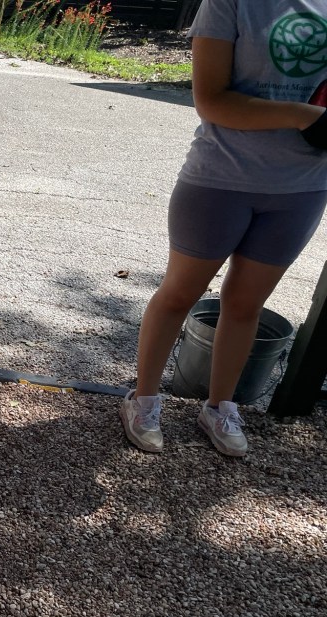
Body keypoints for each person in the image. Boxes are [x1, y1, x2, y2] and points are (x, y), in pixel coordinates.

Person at [120, 0, 327, 458]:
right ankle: (143, 400)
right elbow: (211, 101)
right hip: (219, 180)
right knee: (179, 294)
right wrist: (304, 116)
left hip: (303, 188)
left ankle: (219, 408)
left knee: (246, 305)